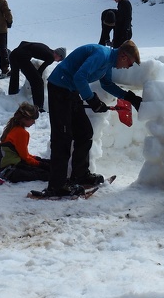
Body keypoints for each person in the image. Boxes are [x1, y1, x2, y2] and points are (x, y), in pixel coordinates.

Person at [43, 40, 142, 197]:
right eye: (130, 63)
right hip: (59, 89)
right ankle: (56, 186)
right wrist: (92, 100)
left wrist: (130, 97)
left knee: (84, 132)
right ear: (123, 55)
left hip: (71, 91)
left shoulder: (108, 61)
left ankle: (80, 175)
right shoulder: (102, 55)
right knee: (62, 138)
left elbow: (107, 84)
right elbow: (79, 76)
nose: (128, 67)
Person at [0, 102, 51, 183]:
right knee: (46, 173)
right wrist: (40, 164)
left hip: (6, 163)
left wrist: (37, 159)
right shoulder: (22, 133)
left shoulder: (11, 127)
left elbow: (21, 153)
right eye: (32, 120)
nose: (34, 122)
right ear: (24, 119)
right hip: (12, 167)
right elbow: (25, 158)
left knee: (45, 162)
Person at [8, 41, 66, 111]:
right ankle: (39, 107)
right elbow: (40, 71)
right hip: (22, 57)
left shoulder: (46, 48)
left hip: (14, 54)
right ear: (59, 55)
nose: (57, 61)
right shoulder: (51, 57)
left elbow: (23, 42)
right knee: (38, 82)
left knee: (15, 75)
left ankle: (12, 94)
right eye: (59, 60)